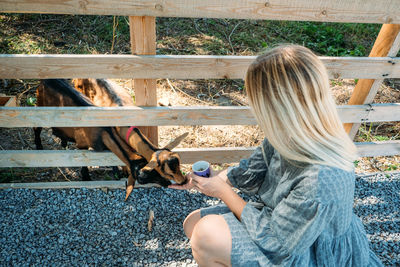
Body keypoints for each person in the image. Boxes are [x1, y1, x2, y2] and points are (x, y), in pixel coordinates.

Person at [169, 44, 383, 267]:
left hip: (308, 251)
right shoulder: (291, 131)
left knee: (205, 236)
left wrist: (224, 192)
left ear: (279, 107)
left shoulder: (322, 177)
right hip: (285, 225)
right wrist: (207, 181)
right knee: (192, 223)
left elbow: (279, 245)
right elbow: (253, 169)